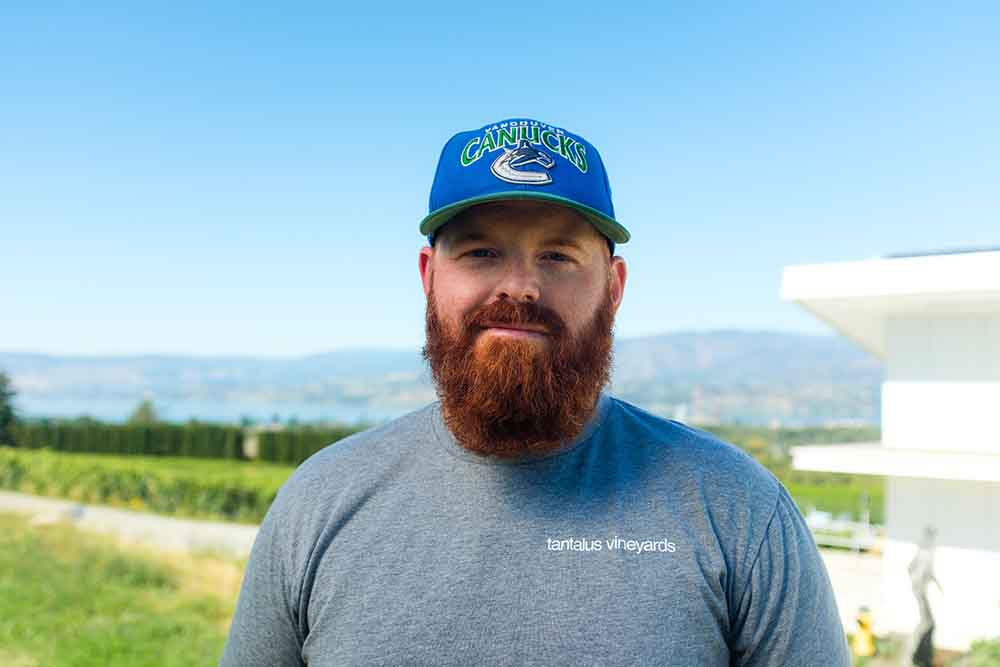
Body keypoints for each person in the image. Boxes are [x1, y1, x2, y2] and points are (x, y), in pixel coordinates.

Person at [219, 118, 850, 666]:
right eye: (481, 252)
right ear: (428, 276)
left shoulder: (739, 512)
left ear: (614, 287)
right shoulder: (317, 505)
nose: (520, 286)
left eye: (557, 257)